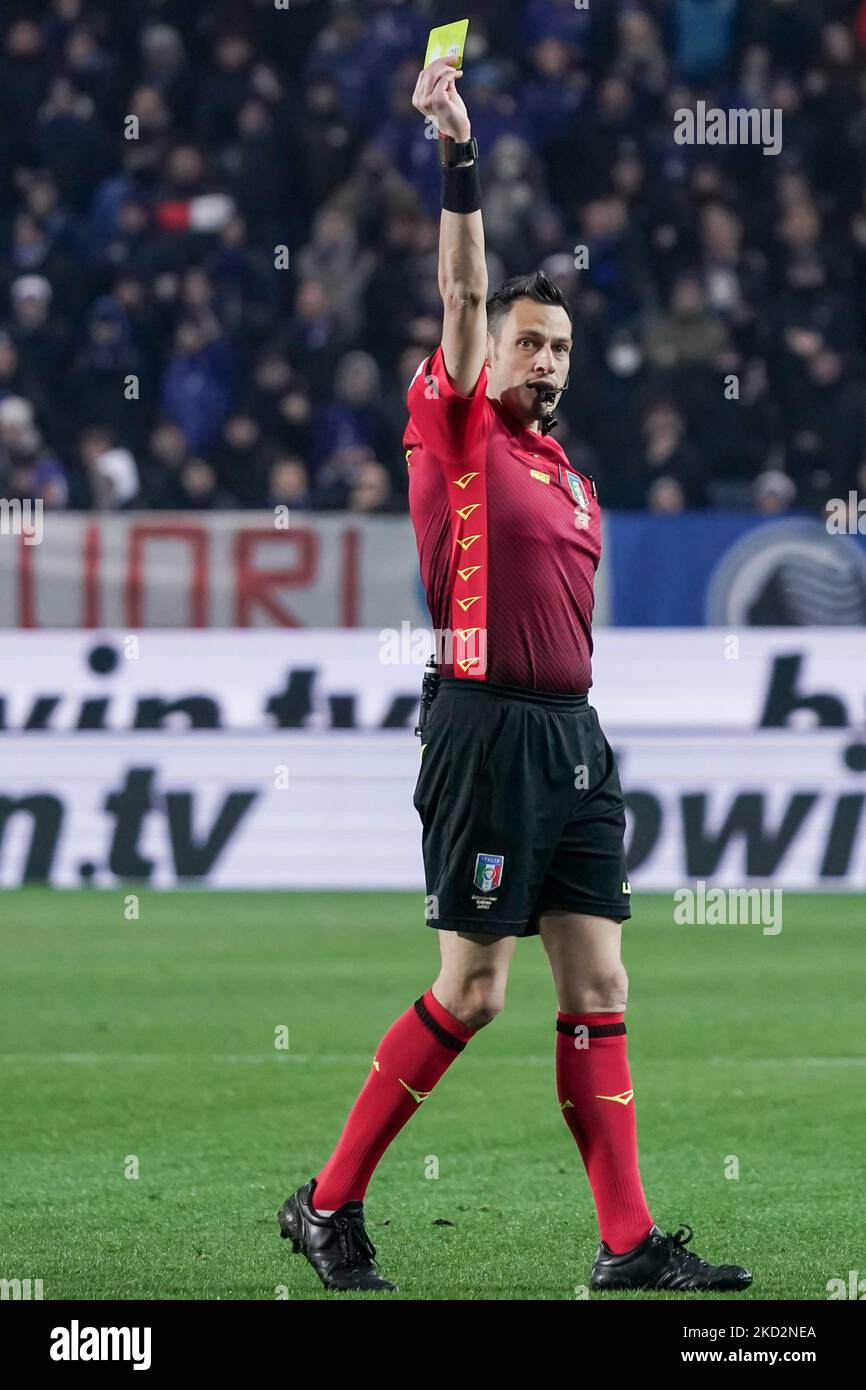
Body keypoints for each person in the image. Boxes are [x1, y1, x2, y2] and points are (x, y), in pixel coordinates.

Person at [277, 54, 752, 1298]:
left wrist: (579, 739)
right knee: (475, 989)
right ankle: (325, 1204)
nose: (541, 360)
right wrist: (458, 150)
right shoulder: (458, 427)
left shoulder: (573, 479)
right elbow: (462, 278)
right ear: (489, 354)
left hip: (574, 738)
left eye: (557, 348)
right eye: (525, 342)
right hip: (483, 730)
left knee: (599, 982)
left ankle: (625, 1244)